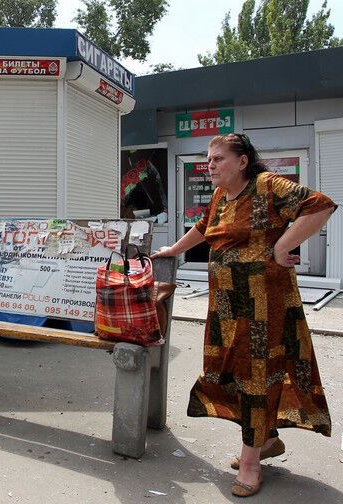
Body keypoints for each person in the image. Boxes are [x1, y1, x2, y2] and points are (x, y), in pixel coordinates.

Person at [152, 133, 336, 497]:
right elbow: (205, 228)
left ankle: (250, 464)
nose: (210, 165)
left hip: (263, 307)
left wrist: (284, 244)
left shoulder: (267, 186)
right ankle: (265, 440)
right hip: (226, 306)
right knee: (233, 372)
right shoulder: (222, 195)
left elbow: (321, 204)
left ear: (242, 162)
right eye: (208, 159)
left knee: (256, 374)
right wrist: (173, 250)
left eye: (219, 158)